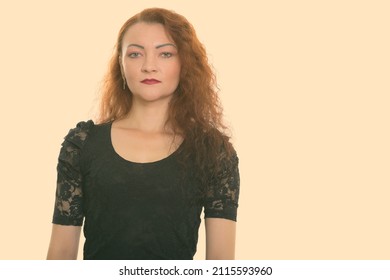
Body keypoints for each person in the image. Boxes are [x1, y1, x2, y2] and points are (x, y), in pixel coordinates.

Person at [46, 7, 240, 260]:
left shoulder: (214, 151)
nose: (149, 66)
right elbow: (60, 254)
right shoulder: (81, 145)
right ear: (121, 63)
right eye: (136, 54)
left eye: (165, 54)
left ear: (185, 63)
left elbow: (221, 265)